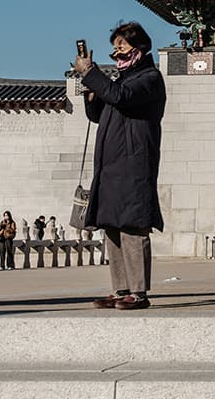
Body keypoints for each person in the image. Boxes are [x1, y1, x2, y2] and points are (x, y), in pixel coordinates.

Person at [74, 21, 166, 311]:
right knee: (111, 226)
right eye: (114, 48)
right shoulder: (121, 80)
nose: (117, 53)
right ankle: (120, 288)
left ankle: (139, 291)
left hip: (134, 162)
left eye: (122, 46)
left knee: (132, 226)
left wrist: (92, 74)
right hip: (110, 164)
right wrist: (92, 92)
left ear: (139, 46)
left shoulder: (149, 78)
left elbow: (121, 98)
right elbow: (99, 113)